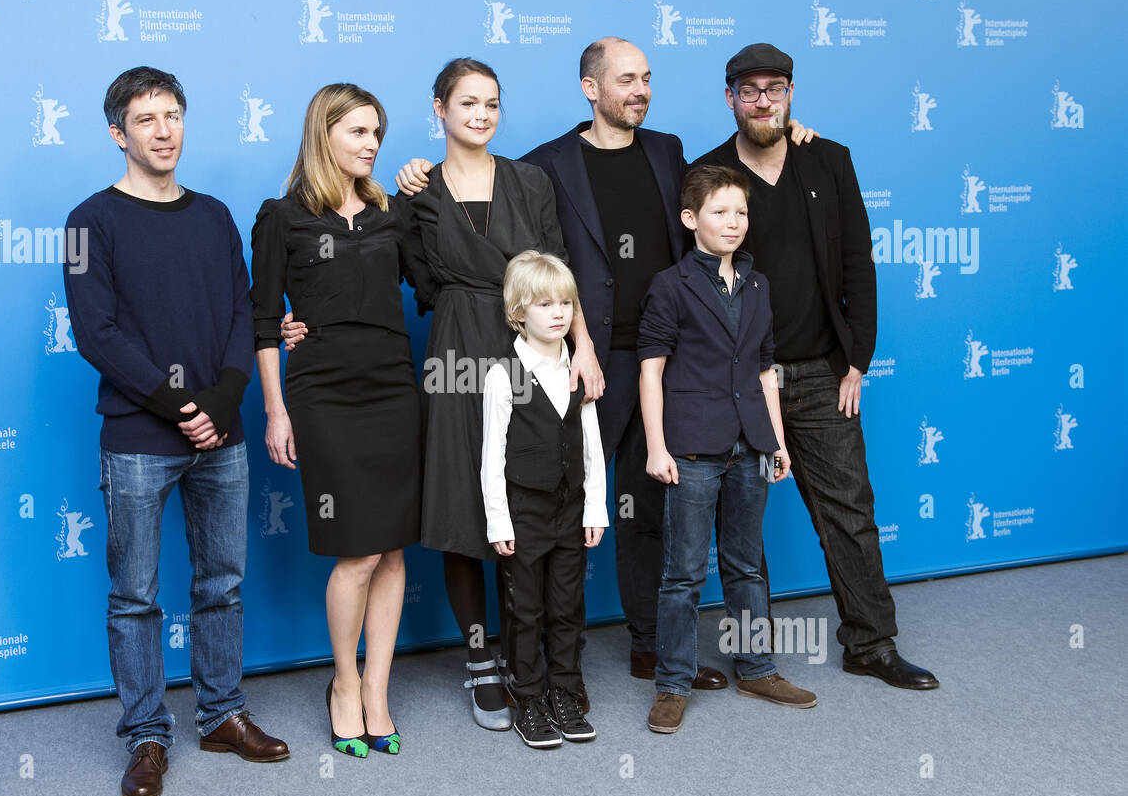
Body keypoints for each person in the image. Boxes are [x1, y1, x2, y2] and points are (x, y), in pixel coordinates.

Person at [398, 38, 813, 690]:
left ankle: (652, 646)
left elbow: (725, 192)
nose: (641, 89)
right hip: (574, 356)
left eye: (647, 78)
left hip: (665, 358)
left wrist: (781, 135)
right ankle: (526, 659)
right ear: (591, 88)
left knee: (651, 502)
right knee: (550, 498)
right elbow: (452, 262)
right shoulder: (546, 166)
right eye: (626, 79)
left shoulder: (668, 151)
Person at [286, 59, 570, 731]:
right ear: (438, 108)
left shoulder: (531, 181)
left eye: (492, 103)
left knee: (529, 498)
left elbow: (559, 271)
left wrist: (580, 345)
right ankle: (481, 662)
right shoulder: (411, 194)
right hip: (455, 355)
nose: (480, 114)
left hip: (533, 349)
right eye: (467, 102)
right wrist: (295, 320)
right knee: (462, 503)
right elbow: (384, 274)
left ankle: (535, 662)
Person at [64, 66, 289, 796]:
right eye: (147, 118)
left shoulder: (216, 216)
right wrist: (176, 403)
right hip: (137, 437)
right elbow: (95, 332)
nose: (163, 130)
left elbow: (241, 310)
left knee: (221, 584)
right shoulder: (87, 221)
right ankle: (147, 735)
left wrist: (222, 401)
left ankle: (222, 714)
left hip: (219, 434)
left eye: (173, 115)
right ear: (117, 134)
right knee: (135, 595)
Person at [692, 43, 938, 689]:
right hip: (741, 380)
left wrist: (857, 359)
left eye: (775, 88)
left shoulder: (828, 161)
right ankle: (756, 659)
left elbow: (858, 261)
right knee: (741, 526)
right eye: (750, 90)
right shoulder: (709, 172)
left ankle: (871, 642)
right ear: (730, 99)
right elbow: (693, 279)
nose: (764, 100)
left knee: (849, 512)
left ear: (792, 93)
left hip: (823, 373)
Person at [251, 83, 430, 758]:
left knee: (392, 548)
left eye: (377, 134)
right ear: (323, 135)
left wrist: (427, 189)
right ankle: (344, 683)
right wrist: (275, 408)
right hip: (323, 394)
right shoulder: (282, 217)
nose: (372, 145)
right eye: (358, 132)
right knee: (357, 550)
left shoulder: (392, 215)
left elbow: (435, 285)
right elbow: (265, 321)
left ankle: (378, 689)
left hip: (393, 388)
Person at [638, 165, 817, 734]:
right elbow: (651, 370)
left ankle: (757, 668)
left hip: (751, 446)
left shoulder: (760, 285)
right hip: (690, 447)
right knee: (684, 573)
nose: (734, 222)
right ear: (691, 220)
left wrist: (777, 442)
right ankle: (672, 682)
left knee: (746, 565)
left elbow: (766, 370)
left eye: (741, 212)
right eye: (720, 212)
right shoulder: (670, 284)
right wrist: (656, 447)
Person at [481, 251, 608, 748]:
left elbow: (591, 446)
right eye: (543, 304)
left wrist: (595, 507)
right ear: (518, 312)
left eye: (565, 303)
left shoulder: (579, 370)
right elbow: (492, 456)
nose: (557, 313)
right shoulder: (501, 374)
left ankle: (565, 691)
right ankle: (528, 695)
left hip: (571, 511)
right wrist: (499, 522)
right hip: (523, 512)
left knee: (566, 606)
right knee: (525, 609)